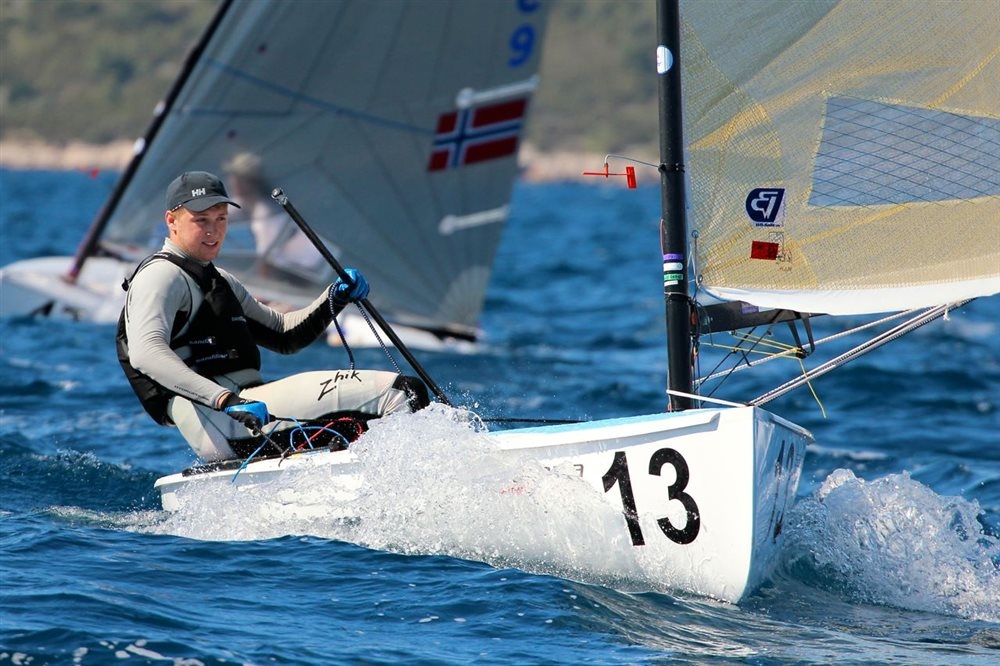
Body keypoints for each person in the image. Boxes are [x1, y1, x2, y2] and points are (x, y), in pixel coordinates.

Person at [116, 170, 429, 462]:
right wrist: (225, 400)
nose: (213, 230)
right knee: (401, 393)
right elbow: (146, 353)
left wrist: (334, 298)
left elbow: (284, 335)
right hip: (225, 417)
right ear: (171, 220)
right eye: (201, 220)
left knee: (380, 412)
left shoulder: (220, 280)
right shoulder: (161, 276)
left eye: (221, 218)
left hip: (246, 408)